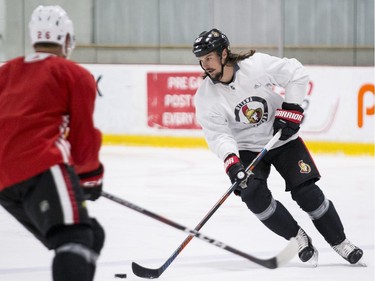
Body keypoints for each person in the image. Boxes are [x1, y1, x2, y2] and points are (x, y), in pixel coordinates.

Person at [192, 28, 363, 266]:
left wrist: (292, 108)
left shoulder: (255, 65)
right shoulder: (206, 97)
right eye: (201, 60)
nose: (205, 65)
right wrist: (231, 161)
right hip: (247, 149)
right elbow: (218, 134)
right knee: (253, 195)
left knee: (307, 193)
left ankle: (340, 242)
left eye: (208, 58)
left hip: (281, 139)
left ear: (223, 54)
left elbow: (296, 72)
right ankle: (298, 237)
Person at [0, 5, 104, 281]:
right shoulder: (74, 74)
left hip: (3, 181)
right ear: (67, 40)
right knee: (75, 236)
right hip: (42, 165)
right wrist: (91, 179)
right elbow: (83, 140)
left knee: (91, 234)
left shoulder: (5, 72)